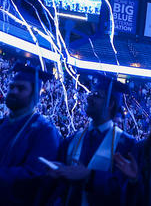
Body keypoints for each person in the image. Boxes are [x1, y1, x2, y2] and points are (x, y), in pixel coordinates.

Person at [0, 63, 61, 205]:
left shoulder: (44, 132)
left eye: (21, 88)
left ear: (34, 95)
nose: (13, 91)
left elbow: (37, 175)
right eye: (11, 86)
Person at [45, 73, 135, 205]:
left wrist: (90, 176)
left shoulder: (127, 145)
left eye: (96, 95)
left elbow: (125, 189)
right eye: (91, 94)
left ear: (110, 104)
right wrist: (58, 172)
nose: (89, 98)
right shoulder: (72, 140)